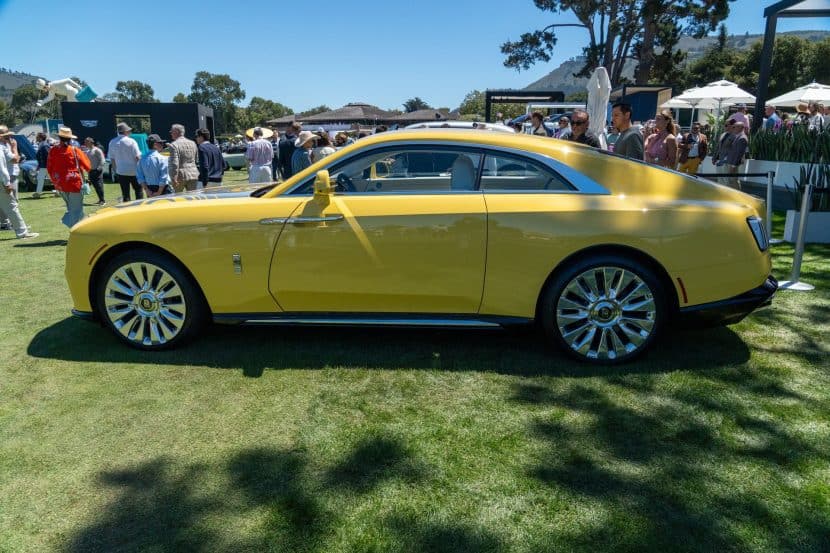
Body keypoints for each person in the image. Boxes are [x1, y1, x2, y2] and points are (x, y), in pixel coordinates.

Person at [47, 126, 91, 228]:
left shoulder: (53, 151)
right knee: (76, 209)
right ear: (70, 138)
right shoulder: (75, 150)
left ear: (59, 138)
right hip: (74, 183)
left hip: (60, 184)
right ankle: (75, 230)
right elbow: (88, 166)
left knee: (71, 208)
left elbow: (49, 168)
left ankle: (80, 226)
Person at [0, 132, 38, 238]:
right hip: (2, 182)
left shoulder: (2, 147)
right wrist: (7, 183)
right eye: (6, 136)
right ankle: (22, 232)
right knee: (12, 206)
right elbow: (1, 168)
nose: (9, 138)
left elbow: (14, 159)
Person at [108, 122, 143, 201]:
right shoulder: (131, 141)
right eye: (129, 131)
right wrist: (142, 170)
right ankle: (140, 207)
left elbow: (112, 159)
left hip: (121, 171)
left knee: (125, 193)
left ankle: (127, 209)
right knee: (138, 190)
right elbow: (137, 157)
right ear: (125, 131)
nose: (130, 132)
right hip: (134, 171)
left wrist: (115, 171)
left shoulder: (112, 142)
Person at [716, 119, 747, 190]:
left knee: (731, 181)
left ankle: (737, 196)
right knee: (726, 181)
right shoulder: (737, 136)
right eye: (733, 127)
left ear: (740, 128)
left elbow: (739, 153)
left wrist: (733, 166)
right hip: (726, 161)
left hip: (731, 163)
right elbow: (719, 147)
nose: (733, 128)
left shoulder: (742, 138)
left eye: (734, 127)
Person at [167, 124, 199, 192]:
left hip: (180, 176)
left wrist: (173, 178)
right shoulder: (193, 143)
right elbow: (196, 159)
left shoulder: (173, 145)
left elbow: (174, 163)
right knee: (193, 198)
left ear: (176, 132)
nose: (171, 134)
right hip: (193, 174)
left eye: (171, 132)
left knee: (178, 198)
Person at [83, 137, 106, 205]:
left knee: (99, 185)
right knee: (95, 186)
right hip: (90, 171)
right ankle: (100, 200)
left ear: (91, 142)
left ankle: (103, 201)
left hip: (97, 171)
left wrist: (98, 168)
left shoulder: (97, 150)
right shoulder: (88, 151)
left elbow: (102, 160)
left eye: (86, 142)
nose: (85, 143)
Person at [33, 132, 53, 198]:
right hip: (43, 166)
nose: (36, 138)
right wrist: (39, 165)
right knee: (41, 178)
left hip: (46, 166)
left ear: (41, 138)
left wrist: (49, 165)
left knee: (43, 178)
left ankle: (38, 193)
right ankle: (38, 193)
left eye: (37, 137)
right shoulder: (41, 144)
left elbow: (49, 156)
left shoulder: (45, 145)